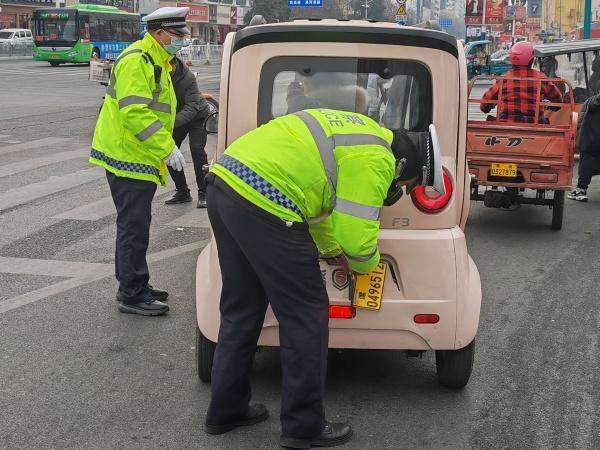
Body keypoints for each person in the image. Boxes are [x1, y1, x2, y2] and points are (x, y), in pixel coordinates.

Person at [202, 107, 444, 447]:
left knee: (242, 306)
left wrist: (330, 250)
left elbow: (318, 205)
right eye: (407, 184)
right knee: (305, 317)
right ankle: (303, 427)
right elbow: (357, 242)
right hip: (268, 199)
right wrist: (367, 265)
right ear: (404, 166)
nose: (399, 190)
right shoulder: (377, 158)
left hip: (226, 182)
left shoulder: (362, 132)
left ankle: (226, 411)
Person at [89, 7, 190, 316]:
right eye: (177, 35)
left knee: (136, 224)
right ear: (159, 33)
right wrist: (167, 148)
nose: (181, 40)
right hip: (128, 155)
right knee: (133, 227)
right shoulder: (138, 60)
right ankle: (132, 294)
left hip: (137, 154)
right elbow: (135, 113)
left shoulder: (157, 59)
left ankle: (135, 283)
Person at [164, 56, 211, 208]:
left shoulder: (188, 77)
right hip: (177, 117)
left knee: (197, 150)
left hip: (197, 115)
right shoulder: (159, 73)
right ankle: (182, 192)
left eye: (168, 66)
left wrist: (170, 124)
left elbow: (192, 107)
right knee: (168, 149)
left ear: (174, 64)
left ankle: (204, 192)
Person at [480, 41, 563, 123]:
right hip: (535, 123)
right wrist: (554, 106)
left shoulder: (503, 79)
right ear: (531, 60)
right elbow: (558, 100)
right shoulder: (541, 78)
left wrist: (486, 108)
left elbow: (486, 100)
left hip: (506, 124)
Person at [569, 93, 600, 202]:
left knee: (587, 162)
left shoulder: (593, 101)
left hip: (592, 138)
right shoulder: (593, 100)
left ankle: (581, 190)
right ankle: (580, 189)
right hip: (592, 137)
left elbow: (582, 119)